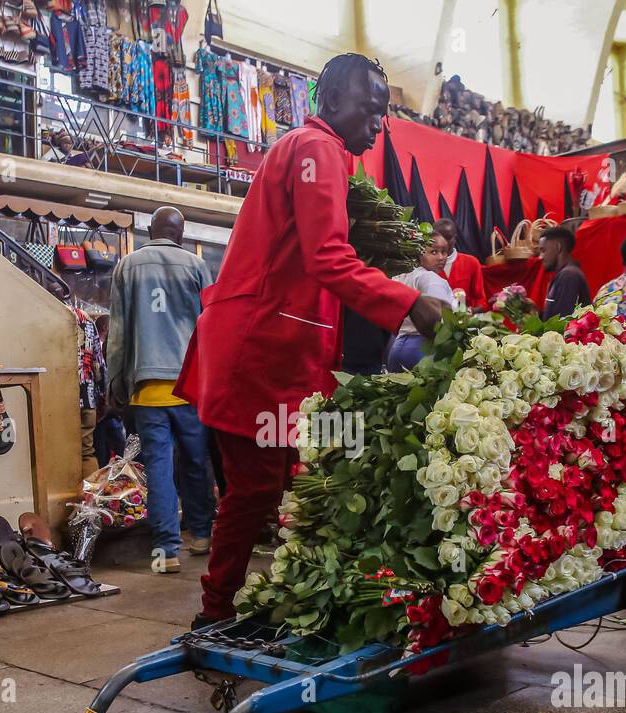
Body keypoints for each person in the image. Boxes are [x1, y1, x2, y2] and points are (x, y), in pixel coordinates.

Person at [176, 53, 447, 627]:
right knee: (253, 490)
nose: (378, 125)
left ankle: (255, 603)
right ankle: (215, 612)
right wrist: (410, 304)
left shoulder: (316, 154)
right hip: (260, 351)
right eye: (371, 110)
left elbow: (313, 255)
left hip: (272, 350)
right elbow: (327, 257)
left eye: (385, 115)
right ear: (330, 103)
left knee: (275, 485)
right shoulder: (317, 149)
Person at [106, 206, 215, 574]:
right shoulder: (197, 267)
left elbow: (118, 333)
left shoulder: (127, 266)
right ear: (180, 234)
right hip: (191, 388)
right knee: (197, 463)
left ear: (150, 231)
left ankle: (166, 550)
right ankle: (201, 535)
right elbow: (211, 328)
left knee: (159, 468)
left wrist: (116, 383)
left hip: (148, 391)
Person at [386, 231, 456, 371]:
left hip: (396, 347)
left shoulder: (401, 275)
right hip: (423, 349)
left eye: (444, 252)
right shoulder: (430, 278)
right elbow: (439, 318)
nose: (441, 257)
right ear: (419, 253)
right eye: (434, 252)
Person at [433, 217, 487, 310]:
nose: (444, 242)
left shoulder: (471, 263)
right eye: (440, 237)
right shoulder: (427, 265)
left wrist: (470, 313)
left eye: (448, 237)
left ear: (455, 238)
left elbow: (481, 301)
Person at [540, 226, 591, 319]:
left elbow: (562, 323)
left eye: (543, 250)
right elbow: (554, 318)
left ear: (558, 247)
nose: (540, 257)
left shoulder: (568, 276)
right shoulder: (566, 274)